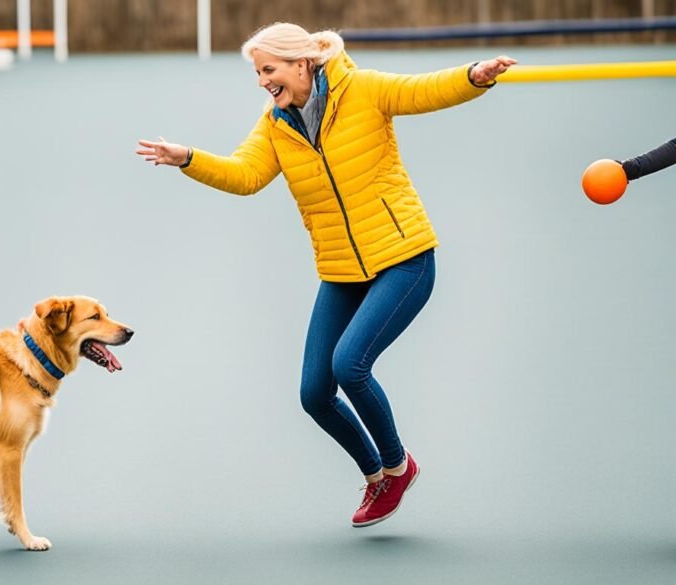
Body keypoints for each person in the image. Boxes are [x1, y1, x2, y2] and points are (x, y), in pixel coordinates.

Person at [136, 22, 515, 527]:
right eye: (256, 72)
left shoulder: (362, 89)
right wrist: (188, 158)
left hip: (404, 258)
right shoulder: (276, 124)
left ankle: (398, 468)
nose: (261, 81)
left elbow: (423, 91)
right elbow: (245, 176)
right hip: (341, 270)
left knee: (349, 364)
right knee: (314, 394)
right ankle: (377, 477)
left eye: (267, 69)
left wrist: (475, 75)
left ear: (302, 63)